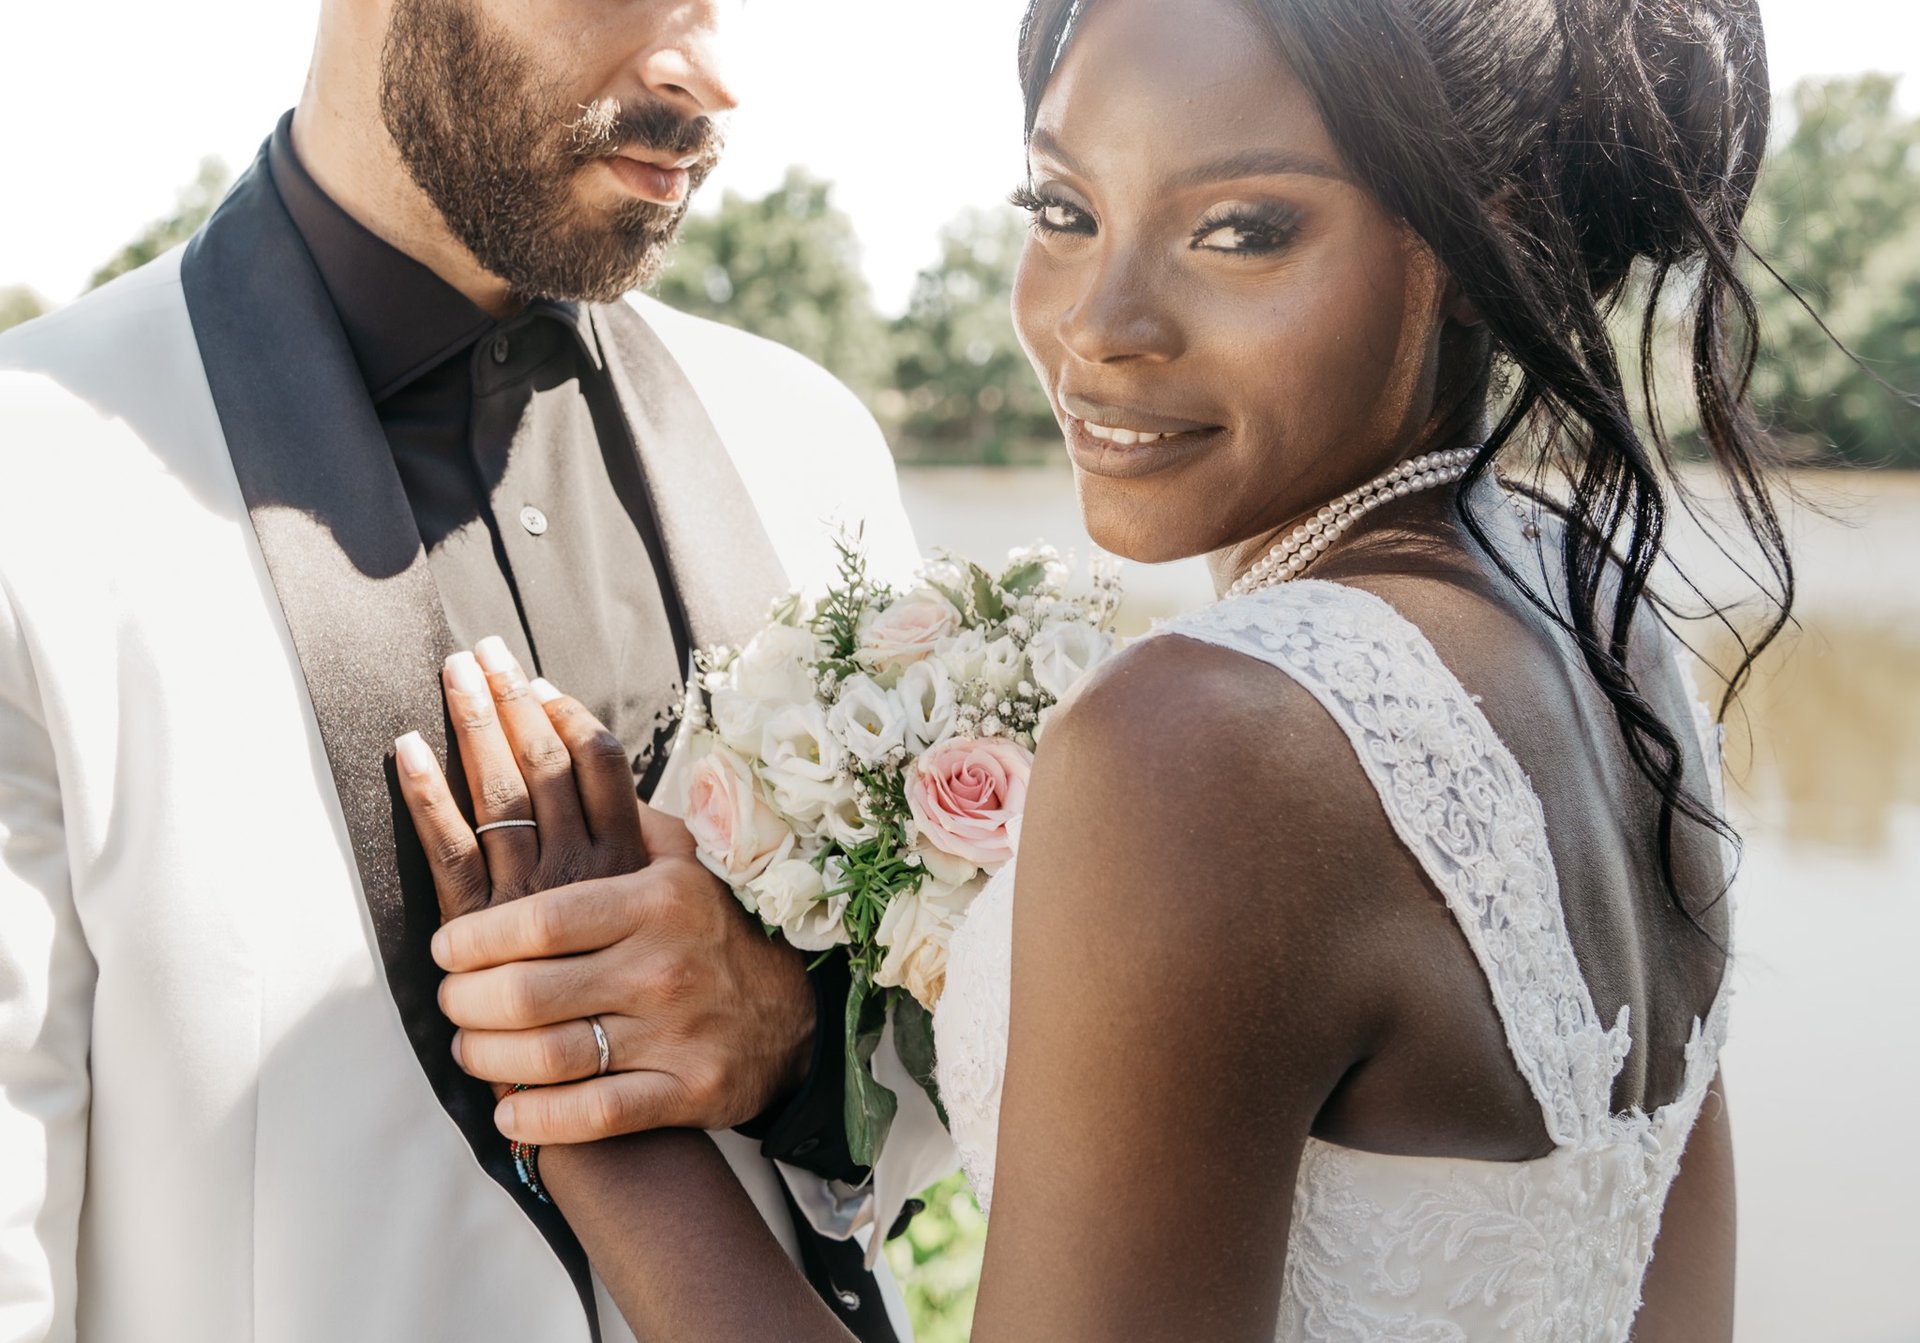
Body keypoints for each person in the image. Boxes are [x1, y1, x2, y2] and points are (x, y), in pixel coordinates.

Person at [397, 0, 1787, 1338]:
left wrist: (596, 1121)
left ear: (1478, 236)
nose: (1099, 322)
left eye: (1241, 229)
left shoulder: (1211, 742)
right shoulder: (1602, 618)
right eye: (1062, 211)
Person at [0, 0, 952, 1339]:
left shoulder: (812, 445)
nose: (712, 77)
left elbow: (954, 1090)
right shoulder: (25, 486)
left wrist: (798, 1045)